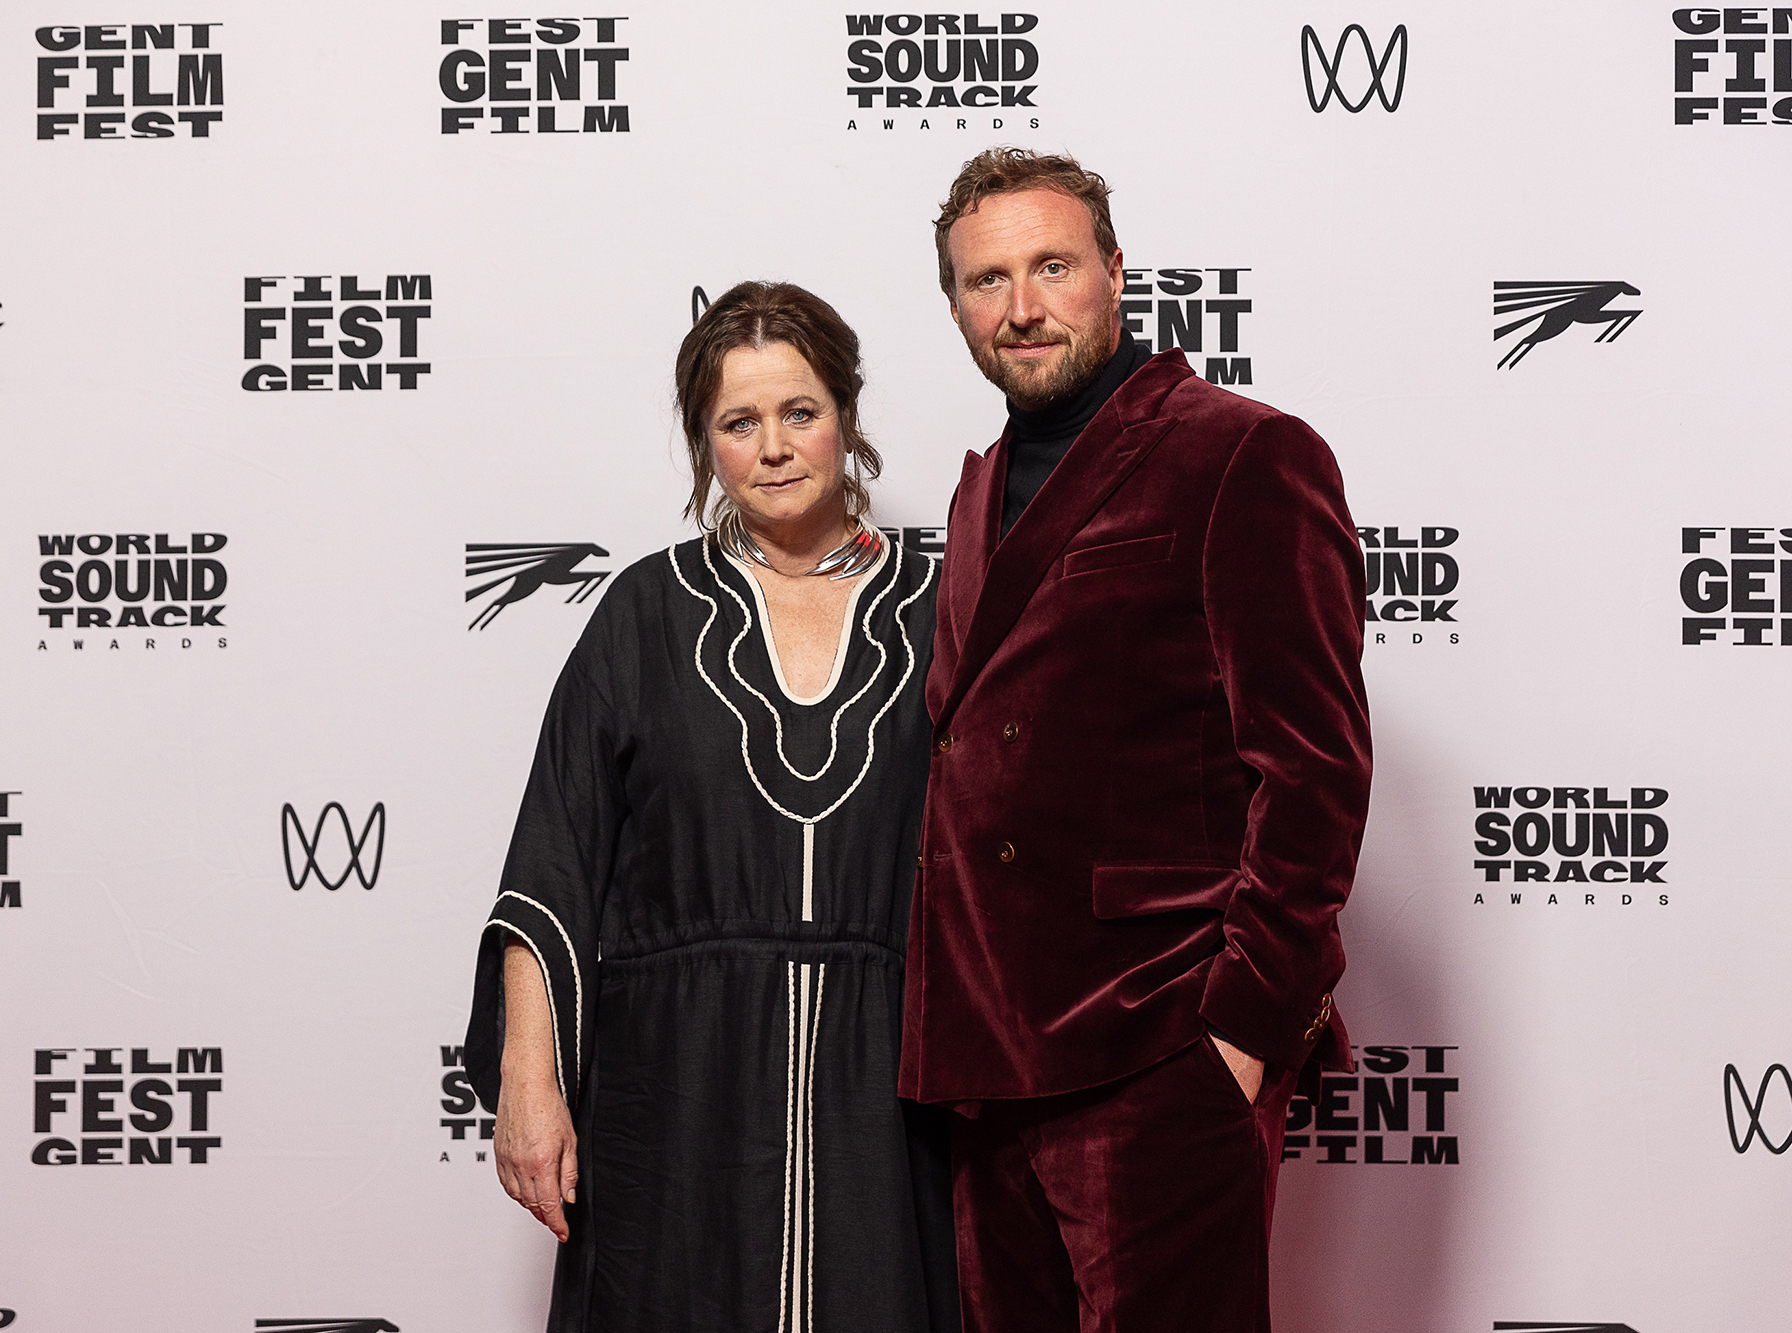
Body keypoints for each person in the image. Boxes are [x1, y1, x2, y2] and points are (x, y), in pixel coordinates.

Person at [899, 147, 1373, 1331]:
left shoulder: (1239, 452)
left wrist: (1239, 1035)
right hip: (989, 1067)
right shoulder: (976, 492)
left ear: (1114, 271)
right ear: (953, 303)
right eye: (985, 279)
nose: (1021, 306)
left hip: (1159, 1044)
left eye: (1052, 265)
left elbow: (1313, 767)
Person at [465, 281, 958, 1333]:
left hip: (891, 1100)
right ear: (706, 446)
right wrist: (529, 1083)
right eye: (739, 422)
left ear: (845, 419)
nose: (774, 447)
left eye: (799, 412)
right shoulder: (643, 612)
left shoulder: (947, 606)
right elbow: (553, 865)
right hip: (675, 1092)